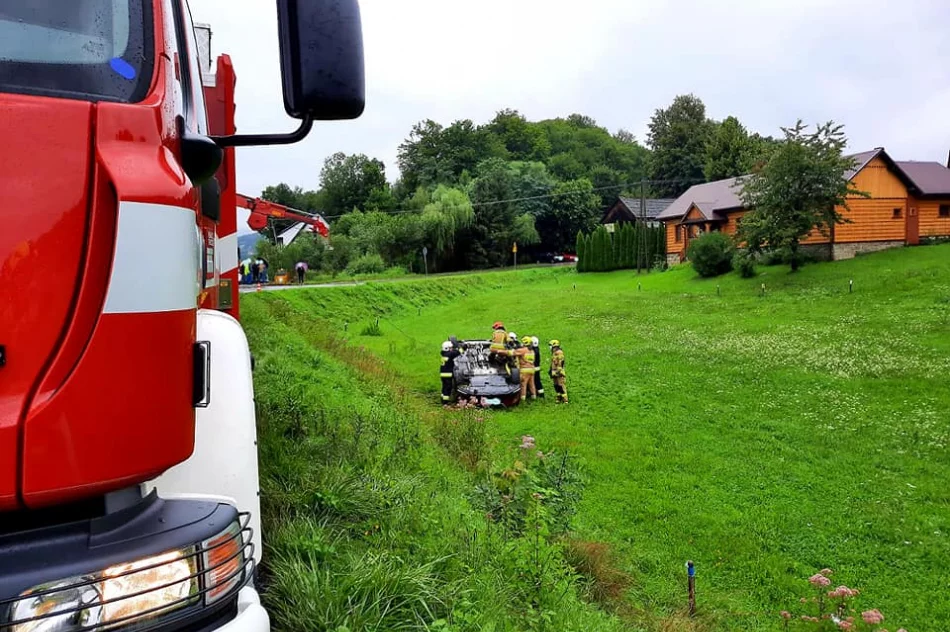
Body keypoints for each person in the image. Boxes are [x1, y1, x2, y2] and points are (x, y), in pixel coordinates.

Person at [440, 340, 461, 405]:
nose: (452, 349)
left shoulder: (444, 354)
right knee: (448, 387)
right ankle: (445, 402)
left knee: (444, 387)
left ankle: (442, 398)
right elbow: (459, 352)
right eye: (451, 348)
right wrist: (461, 347)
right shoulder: (450, 354)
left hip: (443, 374)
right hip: (447, 374)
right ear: (447, 348)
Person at [549, 340, 568, 404]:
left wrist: (558, 371)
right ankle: (559, 397)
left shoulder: (559, 352)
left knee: (561, 385)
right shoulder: (554, 353)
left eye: (550, 345)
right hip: (554, 372)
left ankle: (565, 400)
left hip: (559, 372)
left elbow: (561, 362)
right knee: (556, 385)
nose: (550, 347)